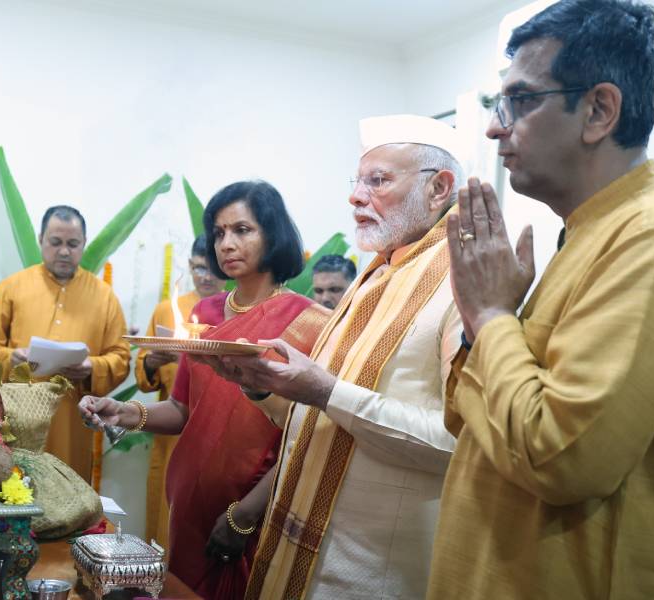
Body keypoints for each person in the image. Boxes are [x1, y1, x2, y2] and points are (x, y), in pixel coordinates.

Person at [428, 2, 654, 598]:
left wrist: (489, 317)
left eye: (521, 100)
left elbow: (561, 457)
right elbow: (465, 418)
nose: (494, 128)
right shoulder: (586, 231)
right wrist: (483, 324)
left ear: (598, 110)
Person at [197, 115, 465, 599]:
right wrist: (261, 384)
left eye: (378, 181)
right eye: (358, 182)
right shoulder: (377, 274)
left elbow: (461, 444)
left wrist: (323, 389)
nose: (356, 196)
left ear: (439, 187)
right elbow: (322, 417)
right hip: (303, 549)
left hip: (374, 571)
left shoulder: (463, 280)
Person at [80, 181, 331, 600]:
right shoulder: (204, 314)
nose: (226, 244)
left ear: (273, 235)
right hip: (189, 504)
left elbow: (309, 436)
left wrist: (245, 514)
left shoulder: (310, 322)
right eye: (218, 233)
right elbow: (182, 409)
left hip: (255, 508)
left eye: (242, 230)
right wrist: (123, 413)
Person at [0, 205, 130, 482]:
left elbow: (121, 357)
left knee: (68, 499)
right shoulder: (11, 288)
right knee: (14, 491)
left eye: (73, 244)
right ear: (41, 240)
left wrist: (92, 367)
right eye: (56, 242)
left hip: (72, 425)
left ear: (83, 244)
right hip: (16, 420)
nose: (64, 251)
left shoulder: (104, 297)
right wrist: (12, 358)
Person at [135, 233, 224, 549]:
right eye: (199, 268)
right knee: (164, 523)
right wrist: (152, 363)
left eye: (212, 269)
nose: (205, 277)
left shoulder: (231, 311)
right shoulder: (166, 310)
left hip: (216, 438)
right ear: (189, 265)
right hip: (170, 434)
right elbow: (144, 375)